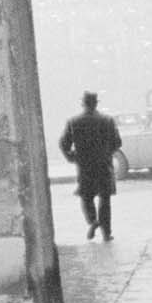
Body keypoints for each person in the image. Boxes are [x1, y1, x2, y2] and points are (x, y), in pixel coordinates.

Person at [58, 91, 122, 241]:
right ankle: (106, 233)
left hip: (85, 166)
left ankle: (93, 221)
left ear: (83, 103)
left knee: (87, 197)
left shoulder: (74, 122)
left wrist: (71, 157)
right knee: (105, 199)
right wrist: (107, 153)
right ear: (96, 103)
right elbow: (117, 142)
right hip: (104, 165)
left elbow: (63, 143)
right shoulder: (107, 120)